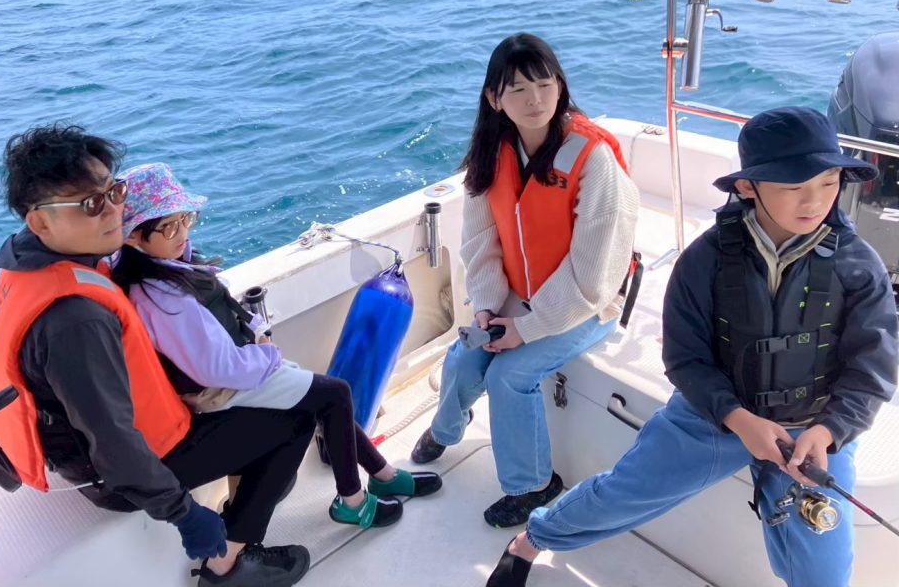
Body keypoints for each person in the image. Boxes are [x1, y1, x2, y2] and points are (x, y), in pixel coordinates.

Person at [486, 106, 899, 587]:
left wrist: (829, 431)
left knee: (824, 571)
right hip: (714, 414)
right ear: (748, 187)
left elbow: (873, 367)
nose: (815, 200)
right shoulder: (705, 260)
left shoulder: (859, 266)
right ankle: (534, 538)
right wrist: (738, 420)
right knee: (624, 492)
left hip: (813, 430)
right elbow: (685, 358)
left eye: (829, 182)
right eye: (794, 187)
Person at [0, 125, 315, 587]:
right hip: (117, 475)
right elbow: (114, 445)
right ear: (40, 222)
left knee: (248, 408)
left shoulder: (34, 258)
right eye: (90, 204)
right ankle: (228, 563)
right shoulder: (74, 321)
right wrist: (185, 515)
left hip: (110, 440)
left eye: (114, 191)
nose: (113, 211)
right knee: (294, 421)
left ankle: (243, 505)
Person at [109, 162, 443, 531]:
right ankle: (353, 501)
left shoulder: (170, 269)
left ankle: (383, 475)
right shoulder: (161, 297)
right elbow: (214, 368)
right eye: (168, 227)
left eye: (185, 219)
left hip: (239, 371)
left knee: (327, 397)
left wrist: (259, 338)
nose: (182, 232)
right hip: (224, 388)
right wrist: (266, 355)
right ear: (133, 238)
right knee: (335, 394)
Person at [410, 33, 640, 527]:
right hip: (520, 293)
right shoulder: (491, 153)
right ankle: (445, 431)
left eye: (544, 84)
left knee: (509, 376)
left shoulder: (593, 159)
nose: (535, 99)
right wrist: (488, 306)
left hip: (588, 303)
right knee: (464, 356)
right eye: (517, 89)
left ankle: (534, 485)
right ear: (494, 99)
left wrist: (527, 328)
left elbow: (594, 276)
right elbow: (480, 243)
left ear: (561, 87)